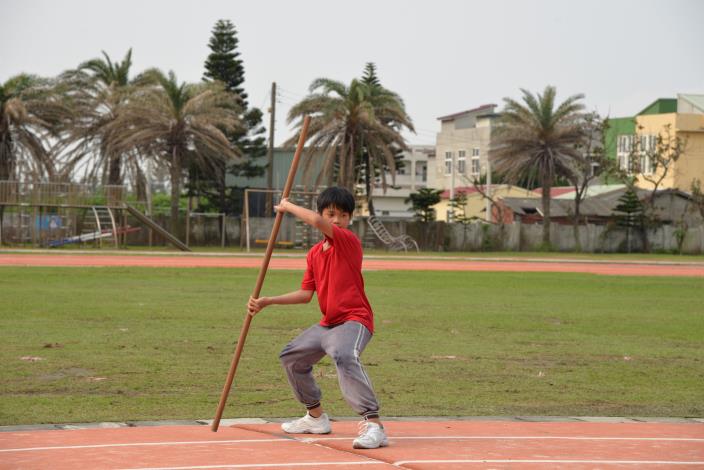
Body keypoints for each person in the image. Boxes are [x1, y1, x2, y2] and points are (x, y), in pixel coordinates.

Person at [247, 186, 387, 449]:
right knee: (291, 357)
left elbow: (315, 221)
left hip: (354, 320)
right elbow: (305, 294)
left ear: (349, 219)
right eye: (331, 214)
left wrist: (287, 207)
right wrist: (268, 301)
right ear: (324, 212)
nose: (336, 220)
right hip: (328, 323)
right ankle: (316, 417)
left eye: (343, 215)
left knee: (343, 354)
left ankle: (374, 425)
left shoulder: (347, 241)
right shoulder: (313, 253)